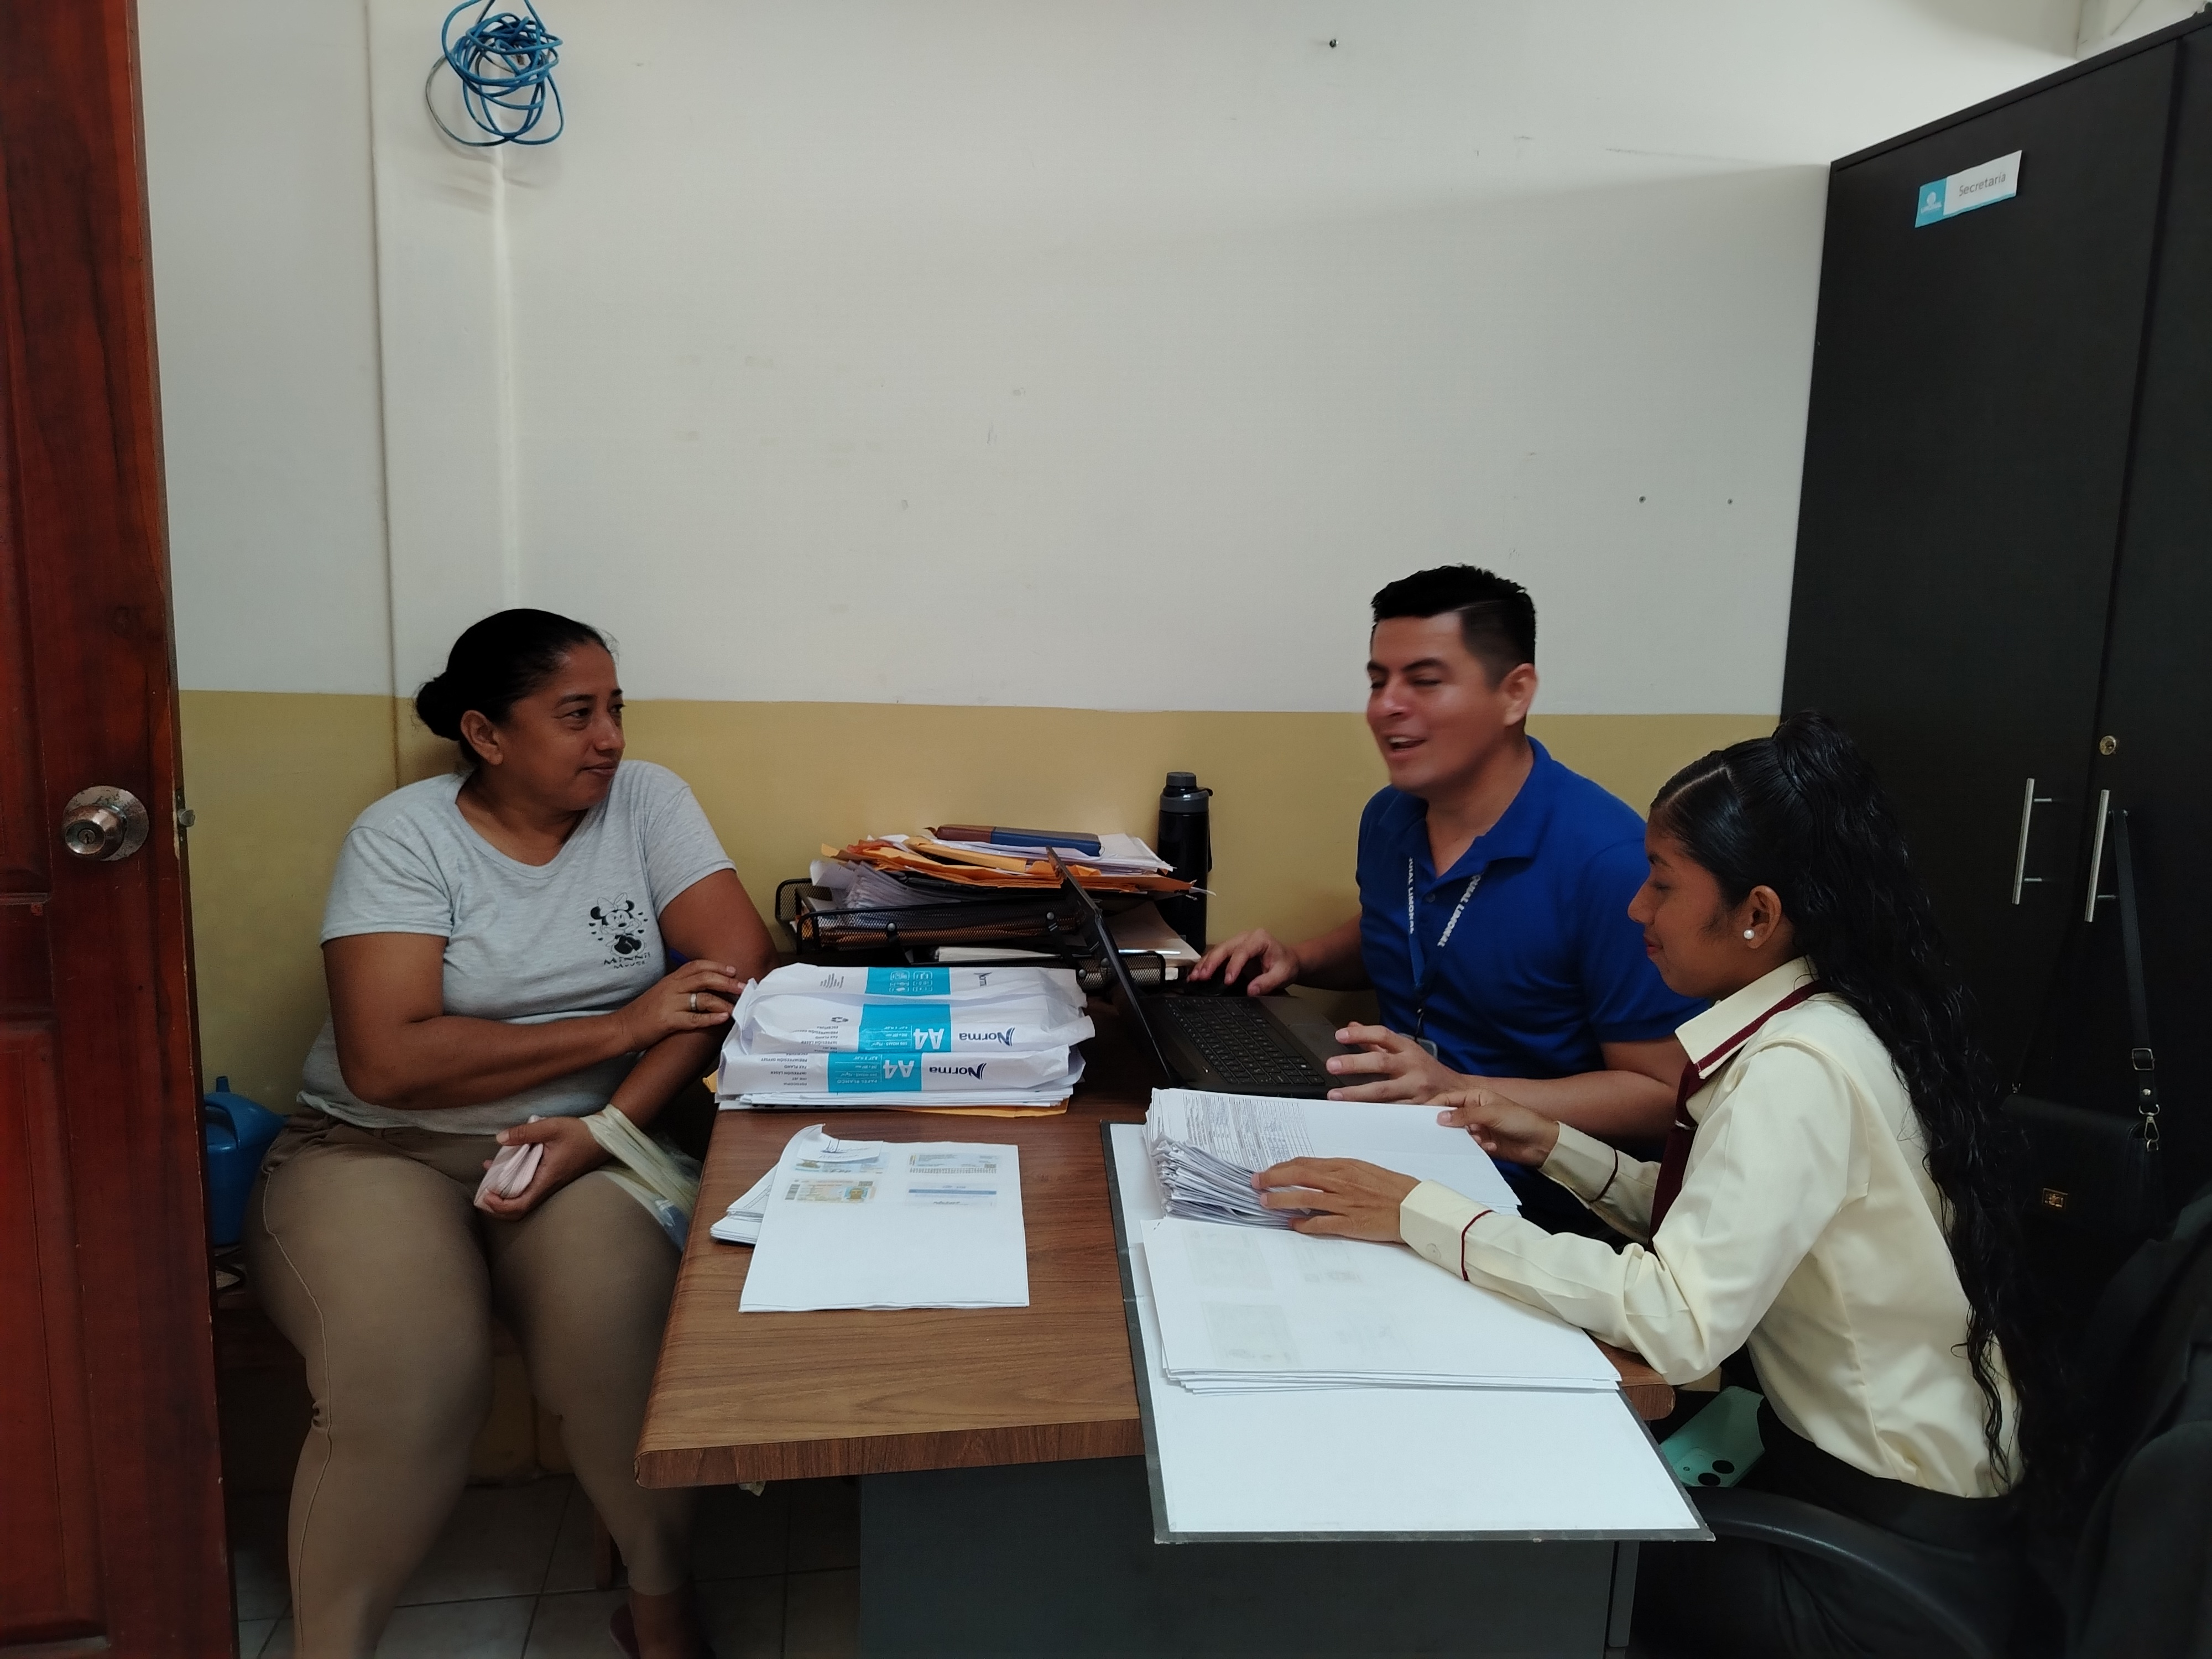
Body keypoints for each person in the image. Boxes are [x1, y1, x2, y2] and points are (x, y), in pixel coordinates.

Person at [1250, 713, 2058, 1657]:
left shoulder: (1797, 1070)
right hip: (1905, 1506)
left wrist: (1416, 1212)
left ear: (1758, 915)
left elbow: (1678, 1321)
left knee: (1502, 1560)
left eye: (1663, 884)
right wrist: (1554, 1145)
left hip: (1872, 1562)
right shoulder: (1830, 1019)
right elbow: (1719, 1224)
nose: (1638, 909)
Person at [243, 609, 776, 1659]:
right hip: (375, 1149)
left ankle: (660, 1610)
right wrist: (621, 1026)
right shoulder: (405, 835)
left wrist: (610, 1127)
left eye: (614, 709)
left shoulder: (646, 803)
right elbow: (385, 1060)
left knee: (622, 1338)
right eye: (576, 715)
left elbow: (733, 974)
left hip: (582, 1145)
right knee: (408, 1380)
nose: (609, 739)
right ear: (486, 734)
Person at [1193, 564, 1703, 1227]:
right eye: (1378, 682)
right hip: (1387, 1147)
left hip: (1531, 1200)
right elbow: (1412, 933)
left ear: (1514, 693)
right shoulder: (1390, 815)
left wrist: (1464, 1090)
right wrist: (1300, 958)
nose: (1386, 706)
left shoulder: (1608, 862)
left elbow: (1661, 1096)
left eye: (1424, 681)